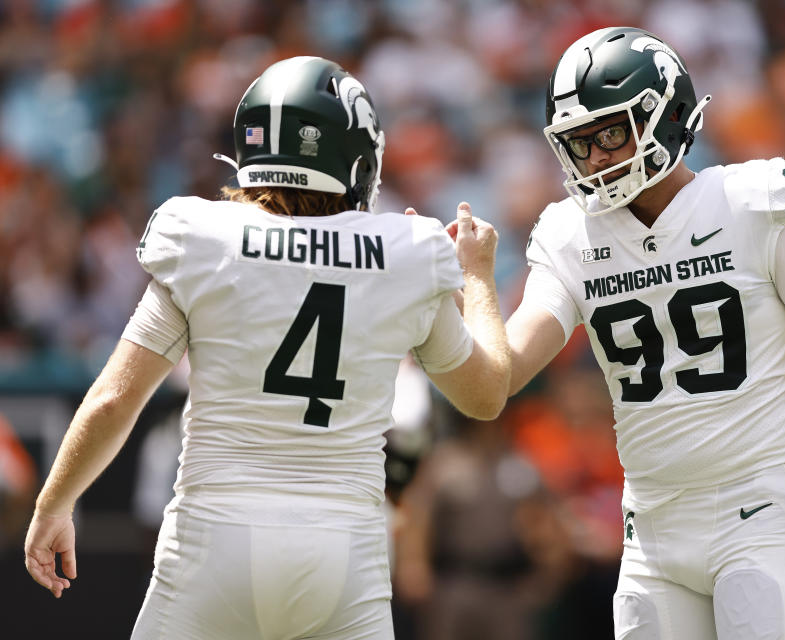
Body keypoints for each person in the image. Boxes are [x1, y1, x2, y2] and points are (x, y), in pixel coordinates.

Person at [23, 55, 509, 640]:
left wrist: (54, 503)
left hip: (213, 538)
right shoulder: (409, 252)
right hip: (344, 551)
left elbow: (113, 400)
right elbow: (485, 396)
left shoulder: (204, 238)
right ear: (357, 156)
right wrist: (477, 277)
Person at [502, 27, 785, 639]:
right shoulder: (570, 235)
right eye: (580, 142)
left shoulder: (752, 201)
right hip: (652, 522)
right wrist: (470, 286)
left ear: (666, 116)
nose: (594, 158)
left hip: (761, 503)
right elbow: (507, 368)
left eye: (611, 133)